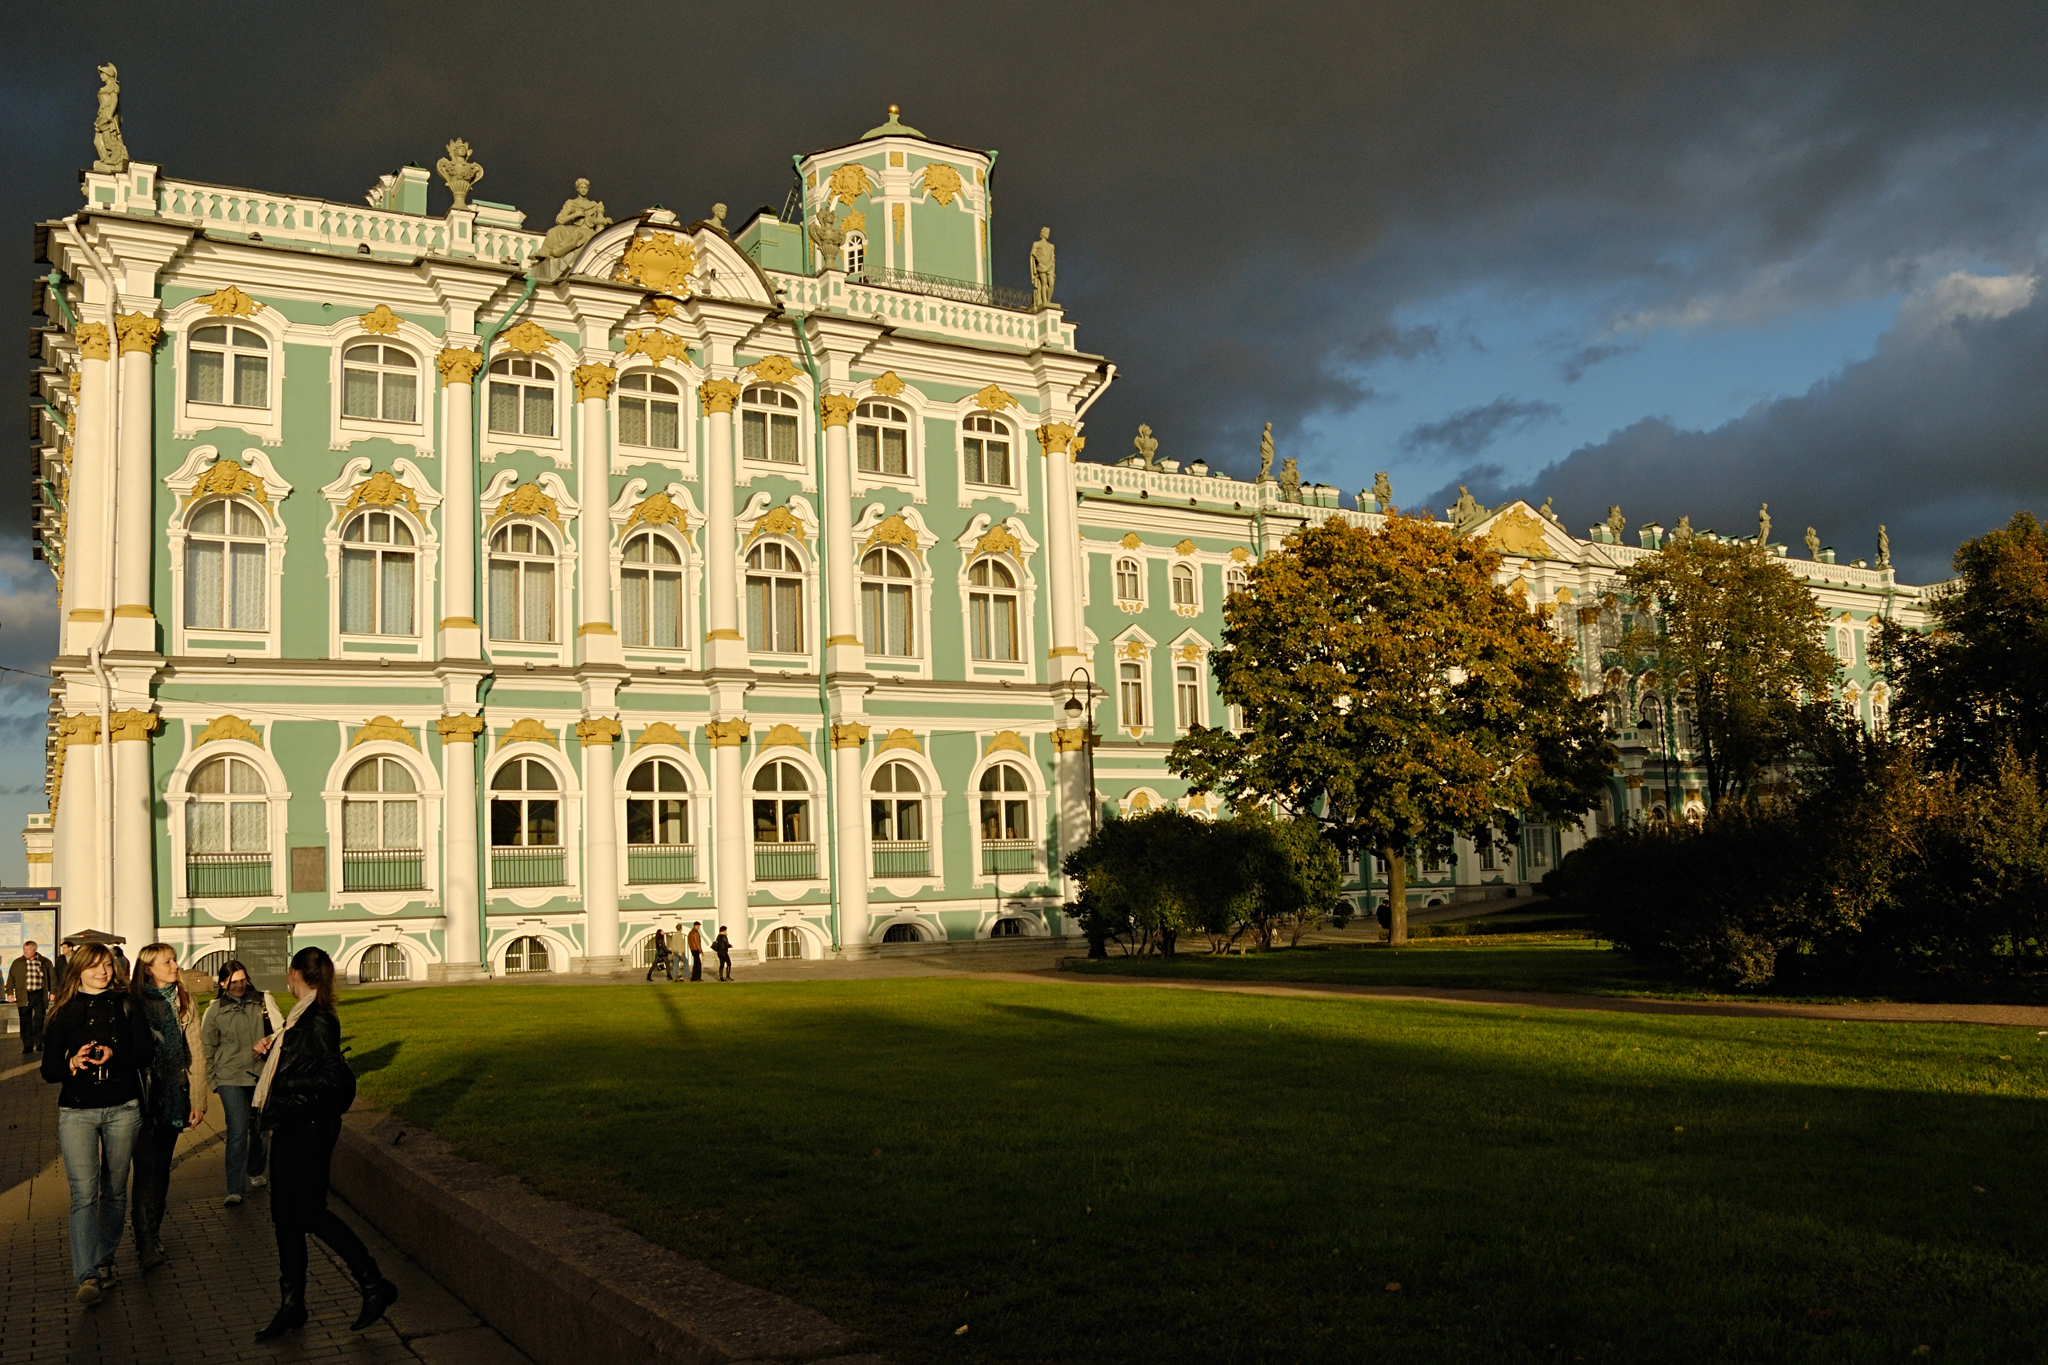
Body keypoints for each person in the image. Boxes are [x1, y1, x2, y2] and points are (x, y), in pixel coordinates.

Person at [253, 946, 397, 1341]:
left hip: (310, 1127)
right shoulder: (299, 1018)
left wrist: (283, 1081)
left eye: (288, 969)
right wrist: (274, 1051)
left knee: (310, 1214)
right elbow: (302, 1062)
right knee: (284, 1216)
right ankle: (292, 1305)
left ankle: (373, 1283)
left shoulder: (317, 1020)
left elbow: (333, 1079)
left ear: (295, 972)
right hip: (290, 1123)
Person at [41, 941, 151, 1304]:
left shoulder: (127, 1003)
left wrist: (114, 1054)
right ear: (79, 970)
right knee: (84, 1193)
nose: (103, 972)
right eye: (94, 966)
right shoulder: (63, 1011)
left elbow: (144, 1052)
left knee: (115, 1190)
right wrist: (73, 1062)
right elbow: (49, 1070)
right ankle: (86, 1274)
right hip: (77, 1110)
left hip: (122, 1107)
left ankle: (104, 1260)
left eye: (107, 965)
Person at [128, 944, 208, 1271]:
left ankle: (152, 1231)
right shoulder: (133, 1004)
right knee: (144, 1169)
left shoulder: (185, 1001)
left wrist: (199, 1100)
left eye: (174, 959)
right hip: (141, 1096)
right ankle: (144, 1240)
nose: (176, 965)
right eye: (168, 961)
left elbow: (197, 1053)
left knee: (161, 1168)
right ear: (149, 969)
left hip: (174, 1093)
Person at [202, 959, 279, 1206]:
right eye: (233, 981)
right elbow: (207, 1047)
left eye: (243, 980)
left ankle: (256, 1170)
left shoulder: (263, 1001)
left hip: (259, 1075)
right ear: (223, 983)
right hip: (229, 1077)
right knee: (237, 1130)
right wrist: (213, 1080)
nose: (239, 985)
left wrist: (267, 1040)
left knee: (258, 1128)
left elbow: (282, 1032)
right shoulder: (214, 1010)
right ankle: (234, 1188)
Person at [6, 940, 52, 1053]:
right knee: (25, 1021)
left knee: (40, 1018)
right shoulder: (18, 962)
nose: (25, 952)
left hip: (39, 994)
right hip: (24, 995)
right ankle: (27, 1045)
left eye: (28, 950)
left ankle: (40, 1042)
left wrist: (53, 992)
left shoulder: (44, 962)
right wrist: (10, 993)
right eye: (24, 950)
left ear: (35, 950)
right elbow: (11, 978)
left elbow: (52, 978)